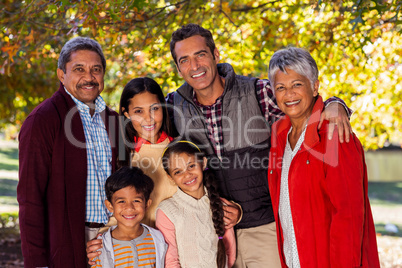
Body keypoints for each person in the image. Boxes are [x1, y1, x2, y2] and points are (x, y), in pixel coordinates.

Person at [166, 23, 353, 267]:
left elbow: (303, 104)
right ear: (178, 68)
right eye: (184, 60)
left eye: (200, 55)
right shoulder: (174, 106)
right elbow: (143, 125)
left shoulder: (257, 92)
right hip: (213, 236)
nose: (194, 66)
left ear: (215, 54)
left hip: (265, 228)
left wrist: (335, 103)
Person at [267, 47, 380, 267]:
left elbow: (348, 217)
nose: (289, 94)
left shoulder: (334, 134)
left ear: (315, 85)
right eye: (281, 87)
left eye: (297, 84)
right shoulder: (278, 137)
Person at [17, 37, 119, 267]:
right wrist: (36, 262)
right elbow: (30, 198)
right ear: (62, 75)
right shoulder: (43, 120)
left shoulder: (114, 121)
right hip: (67, 242)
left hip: (114, 239)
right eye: (79, 69)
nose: (89, 77)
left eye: (96, 69)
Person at [155, 140, 236, 268]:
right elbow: (170, 260)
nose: (187, 174)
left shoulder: (219, 204)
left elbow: (230, 252)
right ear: (170, 177)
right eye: (178, 172)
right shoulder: (167, 211)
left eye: (191, 166)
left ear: (203, 163)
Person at [118, 77, 176, 227]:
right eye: (138, 111)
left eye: (154, 108)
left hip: (183, 241)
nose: (148, 118)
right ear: (126, 114)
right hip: (146, 244)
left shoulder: (181, 149)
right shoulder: (123, 157)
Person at [91, 166, 167, 267]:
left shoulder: (158, 240)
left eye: (136, 201)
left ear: (147, 204)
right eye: (121, 201)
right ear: (110, 206)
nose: (129, 207)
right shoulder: (100, 247)